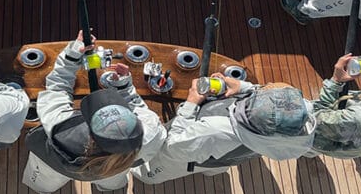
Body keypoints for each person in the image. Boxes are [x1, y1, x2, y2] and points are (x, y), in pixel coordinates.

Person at [22, 32, 165, 194]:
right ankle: (107, 187)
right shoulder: (152, 133)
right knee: (112, 180)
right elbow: (139, 108)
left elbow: (58, 86)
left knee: (44, 181)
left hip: (53, 165)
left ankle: (42, 189)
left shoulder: (61, 128)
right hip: (114, 171)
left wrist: (73, 54)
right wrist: (124, 87)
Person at [133, 74, 315, 185]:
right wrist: (244, 87)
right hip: (228, 157)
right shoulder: (298, 118)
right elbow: (273, 99)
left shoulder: (214, 131)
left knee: (150, 173)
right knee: (216, 167)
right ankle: (211, 172)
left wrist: (191, 103)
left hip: (186, 157)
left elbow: (173, 146)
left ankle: (149, 176)